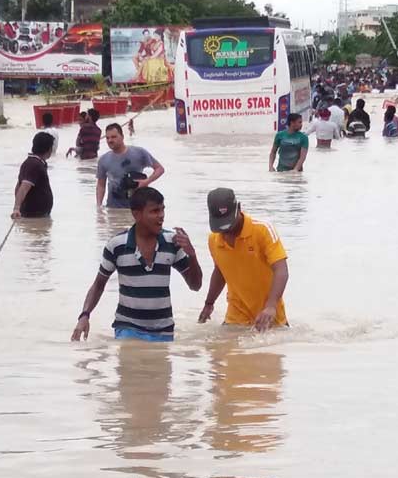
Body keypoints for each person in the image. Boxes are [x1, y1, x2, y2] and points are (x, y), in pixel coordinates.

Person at [71, 187, 203, 342]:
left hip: (164, 331)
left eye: (162, 210)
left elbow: (196, 285)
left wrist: (192, 254)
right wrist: (84, 315)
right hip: (127, 328)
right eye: (154, 211)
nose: (161, 216)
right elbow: (99, 285)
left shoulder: (172, 243)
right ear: (136, 214)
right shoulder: (117, 245)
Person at [199, 188, 289, 331]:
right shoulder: (214, 240)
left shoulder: (262, 230)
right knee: (217, 351)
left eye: (229, 224)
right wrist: (209, 303)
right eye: (221, 226)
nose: (226, 231)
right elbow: (220, 271)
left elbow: (281, 269)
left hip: (269, 316)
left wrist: (271, 306)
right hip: (236, 315)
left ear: (239, 208)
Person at [97, 123, 165, 209]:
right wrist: (99, 207)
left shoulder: (139, 153)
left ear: (122, 136)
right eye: (107, 138)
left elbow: (159, 169)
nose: (110, 140)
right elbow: (100, 185)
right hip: (113, 208)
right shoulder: (103, 160)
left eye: (114, 137)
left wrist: (146, 181)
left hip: (136, 207)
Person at [11, 132, 55, 219]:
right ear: (49, 149)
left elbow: (18, 186)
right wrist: (16, 208)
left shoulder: (33, 162)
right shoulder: (34, 165)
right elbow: (23, 187)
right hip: (34, 216)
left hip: (37, 216)